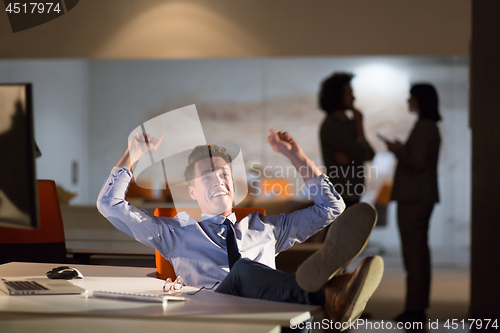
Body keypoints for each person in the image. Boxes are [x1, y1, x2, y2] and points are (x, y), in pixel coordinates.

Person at [97, 128, 384, 326]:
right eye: (207, 177)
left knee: (281, 299)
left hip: (273, 316)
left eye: (224, 174)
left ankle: (324, 291)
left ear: (233, 185)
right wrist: (132, 154)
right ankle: (329, 293)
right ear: (192, 192)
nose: (219, 180)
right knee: (243, 269)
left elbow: (332, 207)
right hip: (213, 316)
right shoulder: (175, 234)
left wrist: (296, 157)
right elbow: (109, 204)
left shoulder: (266, 228)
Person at [383, 83, 441, 324]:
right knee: (418, 253)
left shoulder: (425, 127)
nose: (408, 101)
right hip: (419, 197)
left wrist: (398, 150)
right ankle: (416, 306)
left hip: (414, 198)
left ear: (420, 100)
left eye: (411, 98)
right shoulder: (428, 127)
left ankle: (415, 309)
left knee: (414, 254)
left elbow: (417, 162)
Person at [318, 73, 375, 208]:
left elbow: (370, 154)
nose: (353, 97)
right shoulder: (333, 125)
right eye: (349, 93)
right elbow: (362, 153)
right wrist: (360, 126)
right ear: (337, 96)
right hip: (342, 192)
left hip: (350, 191)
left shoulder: (347, 123)